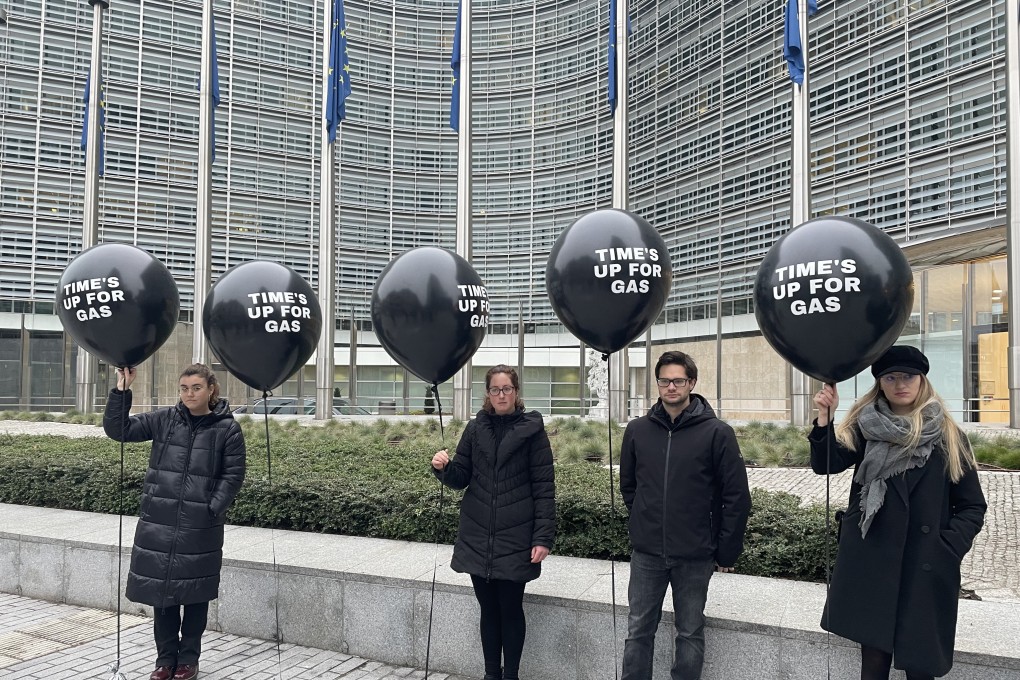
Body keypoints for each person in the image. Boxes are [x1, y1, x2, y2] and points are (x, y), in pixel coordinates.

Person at [810, 345, 986, 680]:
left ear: (922, 381)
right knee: (873, 663)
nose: (900, 384)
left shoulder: (948, 436)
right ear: (880, 383)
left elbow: (972, 505)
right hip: (874, 562)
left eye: (908, 376)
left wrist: (947, 547)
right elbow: (826, 465)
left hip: (925, 564)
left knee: (921, 666)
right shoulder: (865, 428)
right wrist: (824, 419)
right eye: (890, 377)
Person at [104, 364, 247, 680]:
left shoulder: (227, 429)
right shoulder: (164, 420)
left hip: (200, 527)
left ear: (211, 389)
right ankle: (164, 660)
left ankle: (188, 661)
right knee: (163, 595)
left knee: (195, 595)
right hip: (160, 523)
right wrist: (122, 390)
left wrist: (211, 508)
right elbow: (119, 430)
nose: (189, 394)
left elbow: (233, 474)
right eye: (184, 388)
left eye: (196, 387)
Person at [620, 351, 751, 680]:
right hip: (647, 552)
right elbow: (629, 486)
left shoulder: (717, 433)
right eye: (664, 380)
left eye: (679, 380)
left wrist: (726, 549)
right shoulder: (637, 430)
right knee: (638, 631)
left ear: (692, 383)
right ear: (658, 384)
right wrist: (643, 519)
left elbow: (736, 497)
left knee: (690, 632)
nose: (671, 386)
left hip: (694, 554)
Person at [431, 364, 555, 680]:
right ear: (488, 394)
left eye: (507, 389)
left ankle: (510, 675)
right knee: (488, 610)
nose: (501, 395)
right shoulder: (476, 429)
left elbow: (544, 486)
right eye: (495, 389)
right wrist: (443, 468)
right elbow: (461, 477)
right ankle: (491, 674)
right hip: (477, 534)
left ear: (516, 392)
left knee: (511, 610)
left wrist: (542, 537)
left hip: (517, 536)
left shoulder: (533, 431)